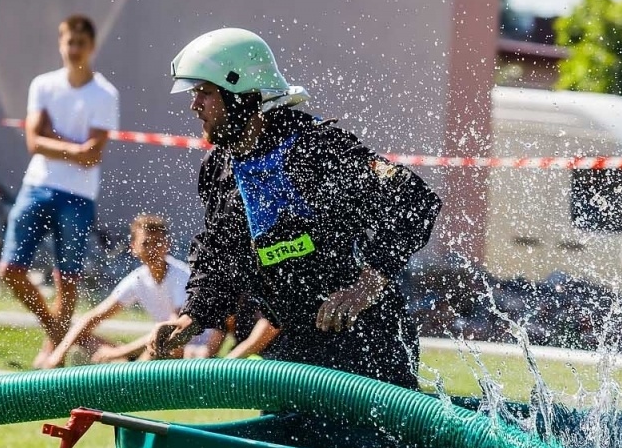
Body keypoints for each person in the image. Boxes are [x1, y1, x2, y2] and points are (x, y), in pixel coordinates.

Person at [146, 28, 440, 388]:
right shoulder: (220, 167)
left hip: (364, 341)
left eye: (205, 94)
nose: (195, 106)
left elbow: (415, 201)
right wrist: (191, 317)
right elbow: (220, 252)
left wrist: (366, 286)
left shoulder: (317, 149)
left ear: (242, 95)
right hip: (290, 347)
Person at [0, 15, 119, 368]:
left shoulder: (105, 94)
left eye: (81, 43)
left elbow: (92, 155)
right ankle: (58, 333)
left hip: (79, 196)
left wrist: (58, 141)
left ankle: (54, 350)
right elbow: (34, 143)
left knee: (67, 278)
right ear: (61, 44)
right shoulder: (43, 85)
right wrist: (74, 149)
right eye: (70, 42)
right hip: (37, 186)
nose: (75, 49)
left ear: (92, 47)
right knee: (10, 269)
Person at [41, 213, 223, 366]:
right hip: (158, 345)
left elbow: (173, 330)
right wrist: (59, 353)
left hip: (191, 347)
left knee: (168, 343)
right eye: (146, 243)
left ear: (168, 245)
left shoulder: (180, 275)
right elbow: (93, 317)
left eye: (158, 242)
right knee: (81, 336)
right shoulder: (138, 278)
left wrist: (119, 351)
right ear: (133, 248)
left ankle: (128, 368)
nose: (153, 249)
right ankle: (126, 365)